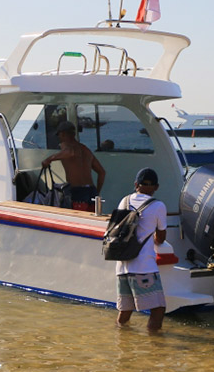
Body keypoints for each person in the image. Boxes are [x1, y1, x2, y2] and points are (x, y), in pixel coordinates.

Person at [115, 167, 168, 332]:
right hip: (144, 266)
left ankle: (122, 343)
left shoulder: (124, 201)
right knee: (158, 309)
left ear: (136, 184)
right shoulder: (158, 205)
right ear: (156, 187)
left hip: (122, 266)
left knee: (125, 311)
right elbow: (161, 238)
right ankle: (155, 349)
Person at [41, 120, 105, 211]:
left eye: (58, 135)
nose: (58, 138)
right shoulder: (85, 150)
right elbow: (102, 172)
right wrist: (97, 192)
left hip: (78, 192)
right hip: (92, 191)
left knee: (79, 220)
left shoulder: (67, 147)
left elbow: (70, 152)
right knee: (92, 220)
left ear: (62, 134)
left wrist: (49, 159)